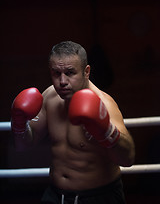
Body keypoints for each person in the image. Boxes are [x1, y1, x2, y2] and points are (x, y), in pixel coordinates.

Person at [11, 41, 135, 204]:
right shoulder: (49, 97)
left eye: (70, 73)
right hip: (56, 195)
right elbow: (23, 145)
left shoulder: (103, 104)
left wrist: (106, 132)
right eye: (56, 73)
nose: (62, 81)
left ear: (86, 72)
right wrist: (19, 124)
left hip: (98, 197)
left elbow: (128, 159)